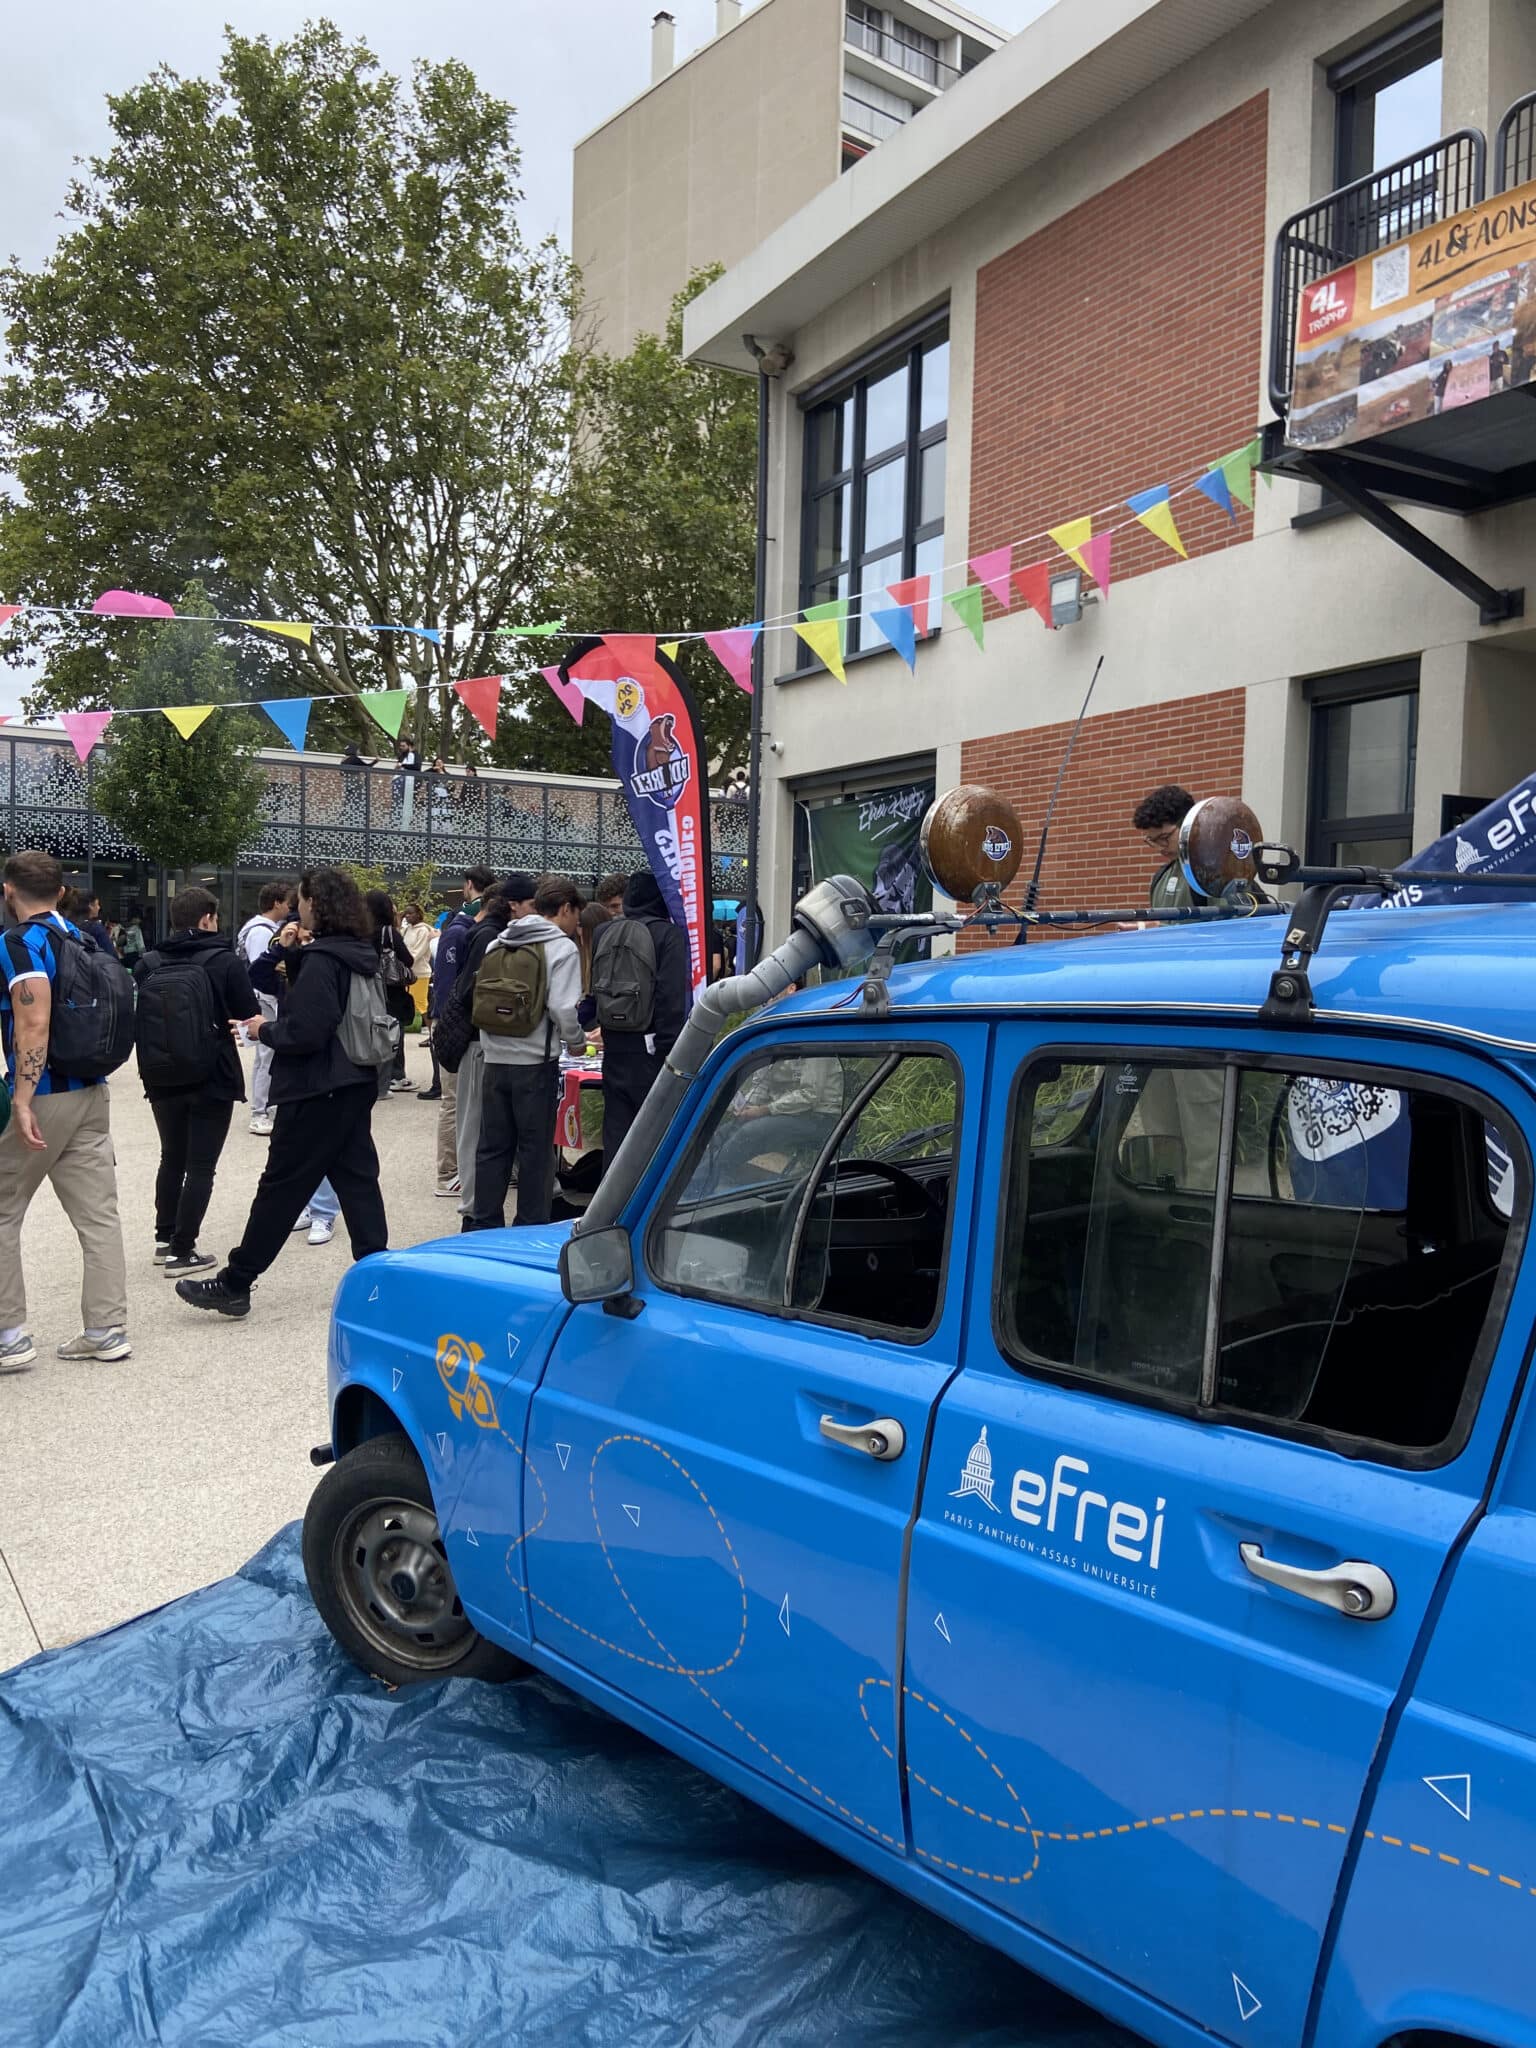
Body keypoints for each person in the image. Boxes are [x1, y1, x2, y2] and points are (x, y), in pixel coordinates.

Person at [175, 866, 389, 1318]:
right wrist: (286, 952)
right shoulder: (353, 952)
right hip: (352, 1080)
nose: (297, 907)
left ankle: (236, 1282)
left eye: (302, 899)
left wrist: (264, 1028)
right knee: (357, 1181)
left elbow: (306, 1029)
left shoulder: (325, 960)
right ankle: (379, 1279)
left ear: (318, 903)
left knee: (281, 1188)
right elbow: (285, 988)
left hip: (317, 1087)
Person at [0, 849, 131, 1367]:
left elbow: (34, 1022)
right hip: (91, 1091)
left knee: (3, 1211)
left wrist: (23, 1098)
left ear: (9, 891)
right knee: (99, 1217)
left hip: (45, 1094)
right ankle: (104, 1328)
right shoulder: (83, 936)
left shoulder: (20, 942)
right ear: (60, 892)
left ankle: (8, 1335)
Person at [135, 886, 258, 1277]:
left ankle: (163, 1238)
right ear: (207, 919)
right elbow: (248, 1012)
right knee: (201, 1165)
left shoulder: (148, 962)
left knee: (171, 1155)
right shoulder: (223, 960)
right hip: (211, 1071)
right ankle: (183, 1250)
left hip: (161, 1074)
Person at [468, 876, 586, 1230]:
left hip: (494, 1059)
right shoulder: (561, 949)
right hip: (535, 1063)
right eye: (576, 916)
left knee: (491, 1149)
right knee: (535, 1154)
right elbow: (563, 1009)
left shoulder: (497, 944)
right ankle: (529, 1227)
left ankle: (484, 1226)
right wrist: (577, 1042)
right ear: (564, 909)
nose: (576, 925)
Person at [591, 868, 690, 1169]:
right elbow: (671, 1000)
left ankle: (607, 1209)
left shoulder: (603, 932)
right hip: (651, 1051)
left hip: (614, 1043)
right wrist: (670, 1053)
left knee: (616, 1134)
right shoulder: (666, 935)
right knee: (653, 1139)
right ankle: (642, 1213)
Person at [452, 880, 532, 1221]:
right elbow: (472, 991)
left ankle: (476, 1206)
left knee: (481, 1130)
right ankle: (473, 1210)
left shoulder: (488, 932)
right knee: (476, 1130)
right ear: (513, 905)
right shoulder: (492, 937)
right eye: (532, 903)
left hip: (479, 1041)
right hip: (478, 1041)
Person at [426, 865, 497, 1186]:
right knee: (452, 1100)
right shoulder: (459, 930)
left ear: (468, 885)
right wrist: (445, 1027)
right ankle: (447, 1172)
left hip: (461, 1025)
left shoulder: (464, 928)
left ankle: (460, 1167)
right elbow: (446, 986)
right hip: (453, 1025)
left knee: (464, 1100)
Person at [237, 881, 295, 1136]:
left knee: (266, 1055)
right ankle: (260, 1111)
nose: (291, 906)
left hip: (265, 999)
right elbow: (265, 970)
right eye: (287, 902)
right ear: (277, 903)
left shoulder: (259, 928)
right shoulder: (262, 932)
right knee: (266, 1055)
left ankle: (266, 1106)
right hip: (266, 1000)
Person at [366, 887, 417, 1093]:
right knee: (393, 1032)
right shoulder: (389, 932)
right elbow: (408, 959)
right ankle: (394, 1076)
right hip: (390, 990)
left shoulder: (361, 932)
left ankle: (373, 1077)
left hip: (368, 987)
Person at [1132, 784, 1202, 910]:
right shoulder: (1161, 877)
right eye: (1152, 841)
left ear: (1188, 824)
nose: (1160, 848)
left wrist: (1159, 927)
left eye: (1164, 838)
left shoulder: (1215, 874)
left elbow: (1233, 927)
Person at [78, 893, 117, 958]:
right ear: (90, 906)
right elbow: (110, 954)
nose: (99, 907)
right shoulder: (96, 928)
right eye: (97, 904)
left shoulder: (72, 926)